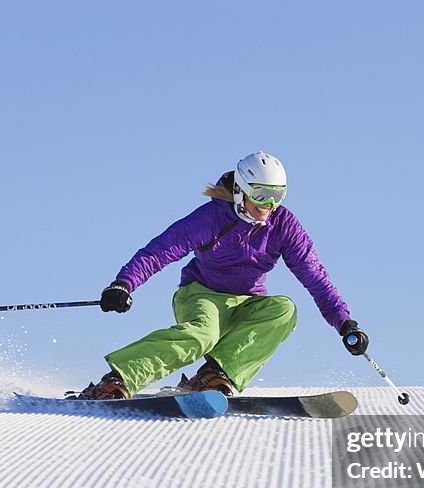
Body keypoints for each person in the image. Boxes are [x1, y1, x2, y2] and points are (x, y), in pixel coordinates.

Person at [73, 151, 369, 399]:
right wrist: (123, 284)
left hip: (247, 303)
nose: (269, 206)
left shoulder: (283, 225)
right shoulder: (212, 217)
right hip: (201, 294)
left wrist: (344, 322)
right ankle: (118, 379)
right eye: (261, 195)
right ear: (241, 190)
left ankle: (213, 376)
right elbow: (161, 250)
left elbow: (314, 275)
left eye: (277, 196)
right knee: (202, 335)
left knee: (284, 310)